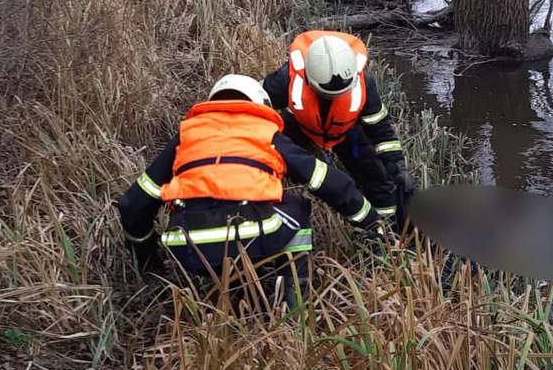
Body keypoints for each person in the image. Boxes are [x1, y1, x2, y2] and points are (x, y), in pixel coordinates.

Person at [114, 74, 387, 306]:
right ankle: (296, 303)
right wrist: (371, 222)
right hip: (252, 238)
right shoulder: (265, 133)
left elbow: (133, 205)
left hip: (187, 248)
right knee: (298, 209)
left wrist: (148, 262)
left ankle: (231, 291)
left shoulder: (187, 137)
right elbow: (327, 182)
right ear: (260, 104)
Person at [260, 30, 417, 233]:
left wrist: (398, 167)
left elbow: (380, 129)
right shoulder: (288, 78)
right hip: (301, 124)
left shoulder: (364, 84)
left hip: (346, 131)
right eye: (326, 94)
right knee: (270, 151)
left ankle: (384, 231)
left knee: (379, 180)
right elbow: (254, 103)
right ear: (309, 79)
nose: (333, 98)